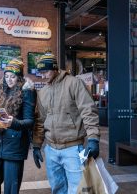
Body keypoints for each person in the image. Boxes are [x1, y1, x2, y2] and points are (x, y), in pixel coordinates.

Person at [32, 52, 100, 194]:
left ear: (55, 68)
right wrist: (37, 145)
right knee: (57, 188)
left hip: (73, 148)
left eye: (46, 71)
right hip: (51, 150)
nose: (43, 76)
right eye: (41, 73)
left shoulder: (74, 83)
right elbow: (40, 120)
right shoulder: (42, 92)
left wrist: (93, 139)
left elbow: (88, 111)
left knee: (77, 189)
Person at [0, 59, 36, 194]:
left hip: (15, 146)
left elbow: (30, 121)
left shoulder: (27, 92)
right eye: (6, 76)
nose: (9, 80)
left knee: (10, 188)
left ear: (19, 77)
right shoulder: (1, 90)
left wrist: (13, 123)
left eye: (12, 77)